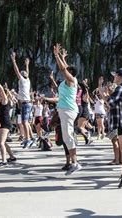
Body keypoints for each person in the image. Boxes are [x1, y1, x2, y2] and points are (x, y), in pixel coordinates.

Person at [51, 43, 82, 175]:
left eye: (69, 69)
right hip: (64, 110)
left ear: (72, 73)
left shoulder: (72, 80)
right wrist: (63, 57)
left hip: (68, 110)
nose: (66, 69)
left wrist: (56, 55)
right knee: (66, 137)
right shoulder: (65, 82)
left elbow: (64, 69)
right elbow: (65, 67)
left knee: (68, 137)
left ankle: (75, 163)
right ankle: (73, 162)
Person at [0, 75, 17, 168]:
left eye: (0, 93)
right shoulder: (1, 102)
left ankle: (4, 161)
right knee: (4, 142)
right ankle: (12, 157)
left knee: (0, 143)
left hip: (6, 123)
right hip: (4, 123)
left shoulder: (5, 100)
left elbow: (2, 89)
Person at [10, 52, 33, 149]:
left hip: (26, 104)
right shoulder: (27, 80)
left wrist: (14, 60)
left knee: (25, 122)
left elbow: (16, 71)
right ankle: (28, 139)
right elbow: (26, 73)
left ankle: (28, 139)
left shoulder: (23, 80)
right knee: (25, 122)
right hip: (25, 104)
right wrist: (27, 65)